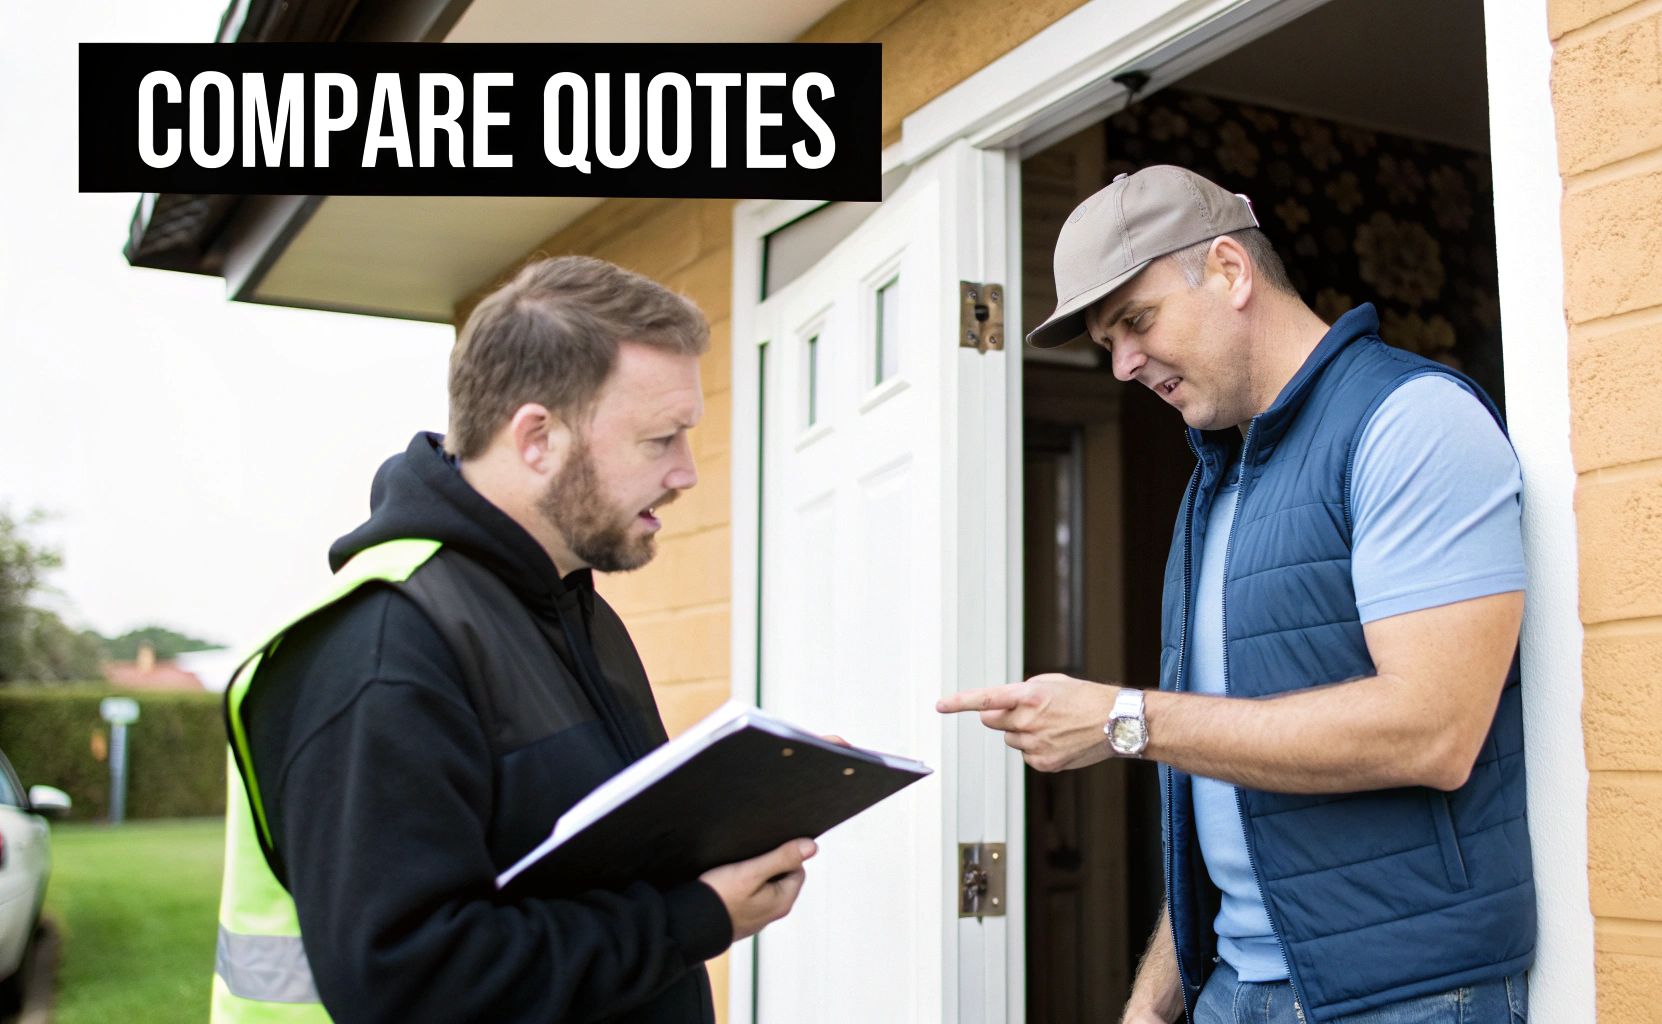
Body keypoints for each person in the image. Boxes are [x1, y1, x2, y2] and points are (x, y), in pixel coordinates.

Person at [939, 166, 1534, 1023]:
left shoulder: (1411, 422)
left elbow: (1434, 731)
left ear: (1229, 269)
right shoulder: (1214, 485)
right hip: (1234, 991)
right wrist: (1153, 1001)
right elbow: (1234, 789)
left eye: (1135, 323)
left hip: (1406, 996)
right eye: (1108, 343)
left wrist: (1125, 719)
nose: (1123, 366)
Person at [212, 256, 816, 1024]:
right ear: (537, 438)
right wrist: (694, 919)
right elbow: (413, 983)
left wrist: (750, 806)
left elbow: (577, 861)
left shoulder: (569, 604)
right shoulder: (383, 652)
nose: (687, 473)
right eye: (661, 439)